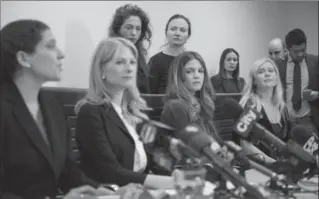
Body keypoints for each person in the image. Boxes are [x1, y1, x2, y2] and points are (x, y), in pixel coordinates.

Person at [0, 19, 111, 199]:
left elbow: (67, 171)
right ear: (23, 58)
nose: (61, 54)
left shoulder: (52, 105)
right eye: (51, 46)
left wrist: (104, 192)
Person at [75, 37, 174, 189]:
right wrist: (165, 183)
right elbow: (108, 171)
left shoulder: (134, 113)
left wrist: (177, 172)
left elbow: (152, 162)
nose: (129, 68)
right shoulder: (90, 112)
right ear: (101, 69)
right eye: (120, 62)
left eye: (132, 62)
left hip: (138, 192)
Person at [239, 58, 291, 164]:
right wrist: (273, 163)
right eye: (261, 72)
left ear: (276, 78)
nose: (267, 74)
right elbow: (244, 145)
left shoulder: (283, 108)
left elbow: (287, 142)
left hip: (281, 166)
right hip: (258, 167)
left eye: (271, 71)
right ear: (254, 81)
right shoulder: (251, 105)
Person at [276, 29, 319, 136]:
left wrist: (317, 94)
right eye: (296, 51)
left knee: (313, 152)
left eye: (303, 50)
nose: (300, 54)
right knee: (287, 151)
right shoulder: (278, 65)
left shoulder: (315, 62)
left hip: (309, 119)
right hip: (286, 121)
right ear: (287, 48)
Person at [108, 4, 152, 93]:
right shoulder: (109, 54)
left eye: (138, 28)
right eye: (129, 27)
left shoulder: (140, 56)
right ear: (118, 29)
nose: (134, 33)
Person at [149, 14, 191, 94]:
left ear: (188, 35)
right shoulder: (154, 62)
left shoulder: (192, 61)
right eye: (173, 29)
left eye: (182, 30)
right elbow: (150, 96)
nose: (177, 33)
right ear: (166, 32)